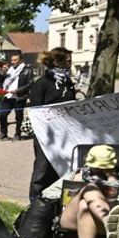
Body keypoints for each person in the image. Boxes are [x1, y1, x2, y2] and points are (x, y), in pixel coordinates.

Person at [27, 47, 78, 202]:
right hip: (46, 135)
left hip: (65, 134)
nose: (70, 63)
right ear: (57, 62)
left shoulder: (67, 82)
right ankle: (35, 204)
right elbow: (35, 109)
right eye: (68, 61)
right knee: (41, 171)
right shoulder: (42, 83)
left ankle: (54, 202)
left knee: (62, 169)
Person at [0, 53, 32, 141]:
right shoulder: (10, 70)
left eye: (15, 60)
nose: (12, 62)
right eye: (12, 60)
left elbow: (30, 84)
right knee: (2, 114)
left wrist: (18, 90)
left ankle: (17, 134)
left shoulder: (27, 70)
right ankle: (3, 133)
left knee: (18, 116)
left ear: (20, 60)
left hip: (19, 96)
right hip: (8, 95)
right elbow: (4, 81)